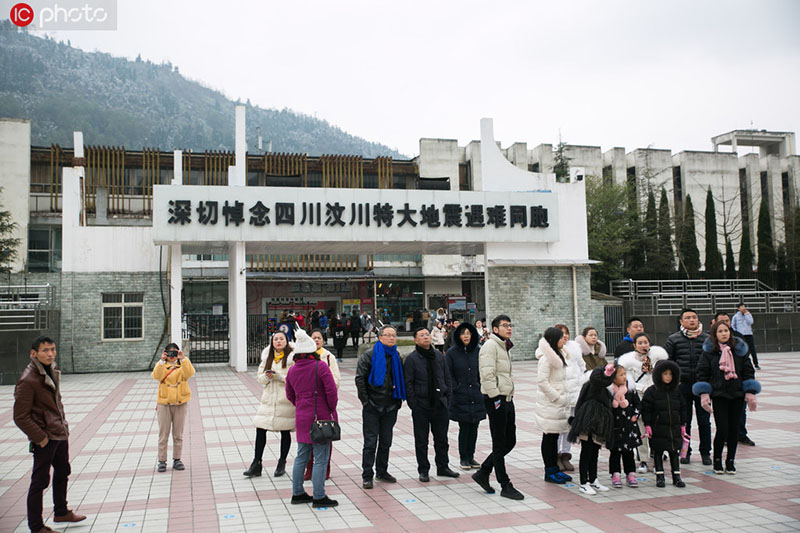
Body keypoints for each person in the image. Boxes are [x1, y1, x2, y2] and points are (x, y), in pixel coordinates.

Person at [14, 336, 87, 533]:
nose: (50, 354)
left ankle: (61, 512)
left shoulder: (51, 371)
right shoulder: (28, 379)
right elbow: (20, 416)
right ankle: (36, 527)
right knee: (40, 481)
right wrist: (41, 438)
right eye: (45, 350)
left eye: (52, 349)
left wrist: (63, 427)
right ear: (33, 353)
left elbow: (55, 403)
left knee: (63, 472)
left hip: (59, 433)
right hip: (46, 438)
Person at [694, 321, 761, 475]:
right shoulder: (709, 352)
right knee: (722, 429)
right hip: (719, 395)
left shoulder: (740, 351)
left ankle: (730, 461)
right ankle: (717, 460)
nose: (724, 334)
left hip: (737, 395)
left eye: (726, 331)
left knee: (733, 430)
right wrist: (704, 392)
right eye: (720, 331)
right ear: (714, 335)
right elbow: (702, 372)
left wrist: (750, 391)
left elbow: (748, 371)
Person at [472, 315, 524, 500]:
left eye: (510, 325)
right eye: (504, 325)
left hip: (507, 397)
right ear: (495, 329)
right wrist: (495, 398)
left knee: (509, 441)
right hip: (496, 399)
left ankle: (484, 471)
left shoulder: (504, 346)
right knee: (499, 442)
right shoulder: (490, 346)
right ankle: (505, 484)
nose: (509, 328)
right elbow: (486, 375)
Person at [286, 329, 339, 508]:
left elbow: (289, 395)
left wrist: (301, 405)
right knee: (321, 457)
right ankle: (318, 496)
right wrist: (331, 408)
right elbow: (332, 391)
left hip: (302, 416)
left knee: (301, 455)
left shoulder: (292, 370)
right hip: (321, 417)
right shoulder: (320, 366)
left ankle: (298, 493)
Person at [404, 328, 460, 481]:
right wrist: (413, 404)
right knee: (421, 440)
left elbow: (446, 377)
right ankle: (423, 470)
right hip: (421, 406)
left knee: (442, 439)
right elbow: (408, 384)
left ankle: (443, 466)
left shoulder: (438, 356)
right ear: (416, 340)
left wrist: (447, 398)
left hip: (440, 404)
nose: (426, 337)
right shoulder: (411, 359)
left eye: (427, 334)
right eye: (421, 335)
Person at [355, 325, 406, 489]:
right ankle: (367, 475)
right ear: (380, 337)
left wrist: (398, 401)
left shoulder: (396, 356)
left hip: (391, 405)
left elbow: (400, 378)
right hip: (372, 406)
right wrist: (366, 401)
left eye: (394, 335)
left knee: (386, 441)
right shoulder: (369, 356)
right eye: (388, 335)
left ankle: (382, 471)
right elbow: (360, 379)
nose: (392, 338)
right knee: (370, 442)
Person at [244, 331, 295, 478]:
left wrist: (279, 377)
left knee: (285, 431)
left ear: (287, 341)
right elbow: (260, 378)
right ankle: (256, 463)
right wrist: (267, 376)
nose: (278, 341)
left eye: (281, 339)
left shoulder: (292, 358)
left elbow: (294, 378)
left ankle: (282, 463)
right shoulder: (267, 357)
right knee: (261, 429)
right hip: (268, 400)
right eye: (276, 339)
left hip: (285, 400)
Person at [664, 308, 711, 465]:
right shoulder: (673, 339)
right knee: (684, 422)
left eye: (694, 317)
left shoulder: (707, 338)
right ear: (681, 321)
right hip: (681, 385)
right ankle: (685, 452)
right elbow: (668, 363)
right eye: (688, 318)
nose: (692, 320)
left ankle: (706, 453)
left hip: (702, 385)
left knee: (704, 421)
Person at [617, 332, 668, 473]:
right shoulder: (627, 361)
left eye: (645, 342)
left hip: (654, 396)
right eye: (640, 343)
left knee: (656, 428)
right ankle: (643, 460)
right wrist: (642, 388)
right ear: (634, 345)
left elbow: (662, 377)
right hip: (638, 397)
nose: (643, 345)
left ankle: (657, 455)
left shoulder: (657, 359)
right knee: (640, 430)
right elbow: (628, 380)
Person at [567, 364, 616, 495]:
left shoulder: (606, 391)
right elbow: (580, 403)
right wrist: (576, 421)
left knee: (595, 452)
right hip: (586, 422)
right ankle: (583, 482)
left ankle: (593, 479)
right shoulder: (589, 386)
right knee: (586, 451)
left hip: (600, 424)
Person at [534, 328, 573, 485]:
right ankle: (549, 470)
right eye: (560, 337)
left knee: (554, 436)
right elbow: (542, 381)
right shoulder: (546, 359)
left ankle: (555, 469)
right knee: (549, 437)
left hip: (559, 404)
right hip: (550, 404)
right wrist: (556, 397)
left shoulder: (560, 354)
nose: (564, 340)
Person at [446, 322, 486, 470]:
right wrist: (456, 387)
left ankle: (471, 456)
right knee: (464, 428)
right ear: (458, 335)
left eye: (468, 333)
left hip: (476, 394)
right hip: (460, 395)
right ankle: (464, 457)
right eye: (463, 333)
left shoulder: (478, 351)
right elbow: (448, 374)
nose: (466, 336)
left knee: (474, 427)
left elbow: (482, 371)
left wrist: (481, 386)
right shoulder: (452, 353)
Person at [640, 360, 687, 488]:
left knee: (674, 453)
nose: (668, 377)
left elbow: (683, 407)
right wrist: (648, 425)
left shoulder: (676, 391)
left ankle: (676, 476)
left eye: (671, 374)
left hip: (674, 428)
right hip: (658, 428)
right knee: (658, 452)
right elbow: (646, 409)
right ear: (659, 375)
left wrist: (683, 424)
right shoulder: (652, 391)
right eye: (665, 374)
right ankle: (660, 476)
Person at [152, 342, 196, 473]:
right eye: (169, 353)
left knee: (178, 434)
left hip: (180, 402)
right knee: (163, 434)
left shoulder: (182, 365)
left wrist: (183, 358)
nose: (172, 356)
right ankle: (162, 461)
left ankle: (177, 459)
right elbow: (156, 376)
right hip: (164, 403)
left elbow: (190, 373)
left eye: (174, 353)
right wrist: (161, 360)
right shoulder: (161, 366)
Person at [303, 329, 341, 481]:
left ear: (323, 341)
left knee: (325, 435)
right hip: (308, 404)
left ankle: (325, 467)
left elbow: (336, 380)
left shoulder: (328, 357)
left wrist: (323, 389)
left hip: (325, 403)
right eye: (314, 338)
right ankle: (310, 468)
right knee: (308, 438)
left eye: (319, 338)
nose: (317, 340)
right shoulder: (303, 356)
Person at [555, 324, 586, 472]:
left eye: (566, 333)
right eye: (561, 334)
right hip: (561, 394)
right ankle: (556, 456)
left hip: (575, 392)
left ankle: (566, 455)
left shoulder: (575, 349)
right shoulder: (552, 351)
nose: (565, 336)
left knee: (570, 425)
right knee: (558, 426)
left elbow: (582, 366)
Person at [608, 365, 642, 488]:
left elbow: (638, 404)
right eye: (620, 375)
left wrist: (635, 415)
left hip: (629, 426)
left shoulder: (630, 389)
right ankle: (615, 474)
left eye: (624, 374)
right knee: (615, 452)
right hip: (615, 427)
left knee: (629, 452)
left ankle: (631, 473)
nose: (624, 377)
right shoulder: (609, 390)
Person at [732, 304, 759, 370]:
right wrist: (736, 332)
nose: (743, 308)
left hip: (748, 334)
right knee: (742, 349)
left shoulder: (748, 314)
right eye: (742, 307)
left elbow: (751, 322)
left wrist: (746, 314)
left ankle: (756, 364)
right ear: (738, 308)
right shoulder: (736, 316)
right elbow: (733, 325)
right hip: (741, 334)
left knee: (752, 349)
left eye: (744, 306)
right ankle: (742, 363)